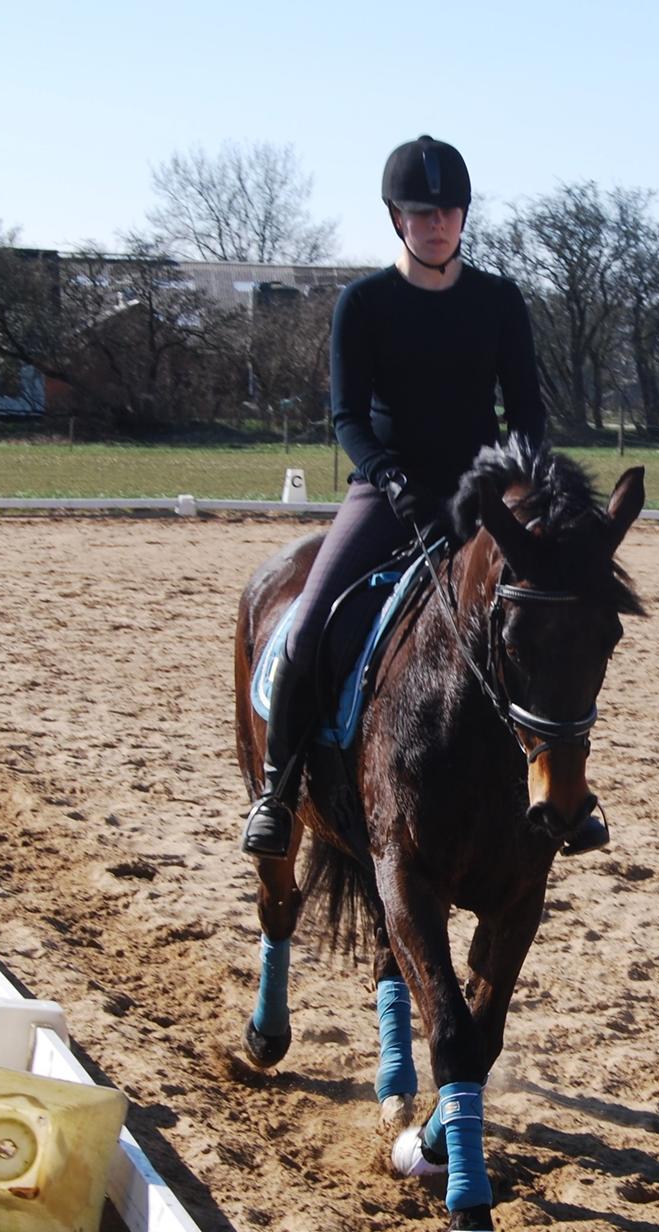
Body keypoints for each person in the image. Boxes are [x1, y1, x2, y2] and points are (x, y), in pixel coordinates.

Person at [241, 133, 550, 859]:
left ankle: (557, 792)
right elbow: (347, 415)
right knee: (310, 621)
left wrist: (509, 478)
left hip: (479, 496)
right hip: (386, 495)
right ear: (396, 219)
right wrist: (389, 475)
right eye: (420, 211)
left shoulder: (500, 303)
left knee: (549, 625)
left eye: (447, 210)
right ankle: (278, 794)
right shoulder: (365, 303)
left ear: (464, 216)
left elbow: (527, 413)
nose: (435, 222)